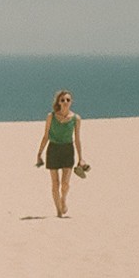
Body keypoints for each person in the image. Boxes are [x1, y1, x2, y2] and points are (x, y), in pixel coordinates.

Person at [36, 89, 83, 217]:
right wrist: (39, 153)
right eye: (62, 100)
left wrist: (81, 158)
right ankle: (58, 210)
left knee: (65, 183)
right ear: (59, 102)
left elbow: (77, 139)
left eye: (68, 100)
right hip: (53, 149)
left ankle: (63, 200)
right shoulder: (51, 117)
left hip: (68, 150)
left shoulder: (76, 118)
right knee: (55, 183)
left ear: (71, 101)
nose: (65, 102)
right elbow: (45, 136)